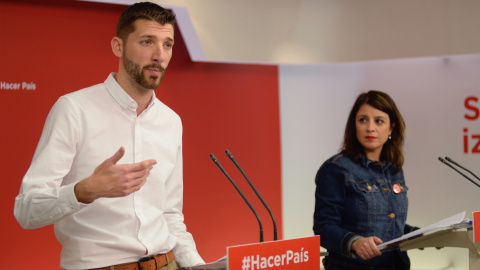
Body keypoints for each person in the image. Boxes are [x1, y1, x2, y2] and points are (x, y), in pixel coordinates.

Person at [14, 2, 204, 270]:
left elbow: (171, 214)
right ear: (118, 46)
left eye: (168, 44)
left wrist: (199, 265)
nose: (159, 55)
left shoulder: (171, 121)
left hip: (167, 264)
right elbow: (26, 210)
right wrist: (84, 190)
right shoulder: (74, 110)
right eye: (147, 41)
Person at [313, 90, 418, 269]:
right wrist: (354, 242)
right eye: (363, 120)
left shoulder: (394, 170)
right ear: (354, 126)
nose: (370, 128)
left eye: (379, 121)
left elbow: (386, 223)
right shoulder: (336, 169)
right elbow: (324, 227)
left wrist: (422, 234)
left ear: (391, 128)